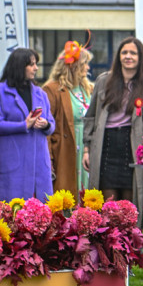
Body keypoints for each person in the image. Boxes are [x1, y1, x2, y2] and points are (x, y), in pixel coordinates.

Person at [82, 37, 143, 229]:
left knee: (130, 205)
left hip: (133, 148)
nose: (128, 57)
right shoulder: (103, 81)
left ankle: (128, 249)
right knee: (108, 205)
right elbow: (90, 117)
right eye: (124, 53)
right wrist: (86, 149)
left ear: (140, 58)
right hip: (106, 146)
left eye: (133, 53)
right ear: (118, 56)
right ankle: (108, 250)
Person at [0, 48, 55, 201]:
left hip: (38, 168)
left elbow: (51, 123)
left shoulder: (40, 93)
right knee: (12, 215)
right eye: (31, 64)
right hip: (13, 168)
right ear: (19, 66)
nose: (36, 68)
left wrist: (45, 125)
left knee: (40, 217)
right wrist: (23, 125)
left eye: (36, 64)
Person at [43, 37, 93, 195]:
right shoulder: (52, 89)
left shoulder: (88, 88)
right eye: (84, 63)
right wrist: (49, 158)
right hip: (66, 149)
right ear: (73, 66)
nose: (88, 67)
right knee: (67, 197)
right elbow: (46, 128)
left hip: (87, 148)